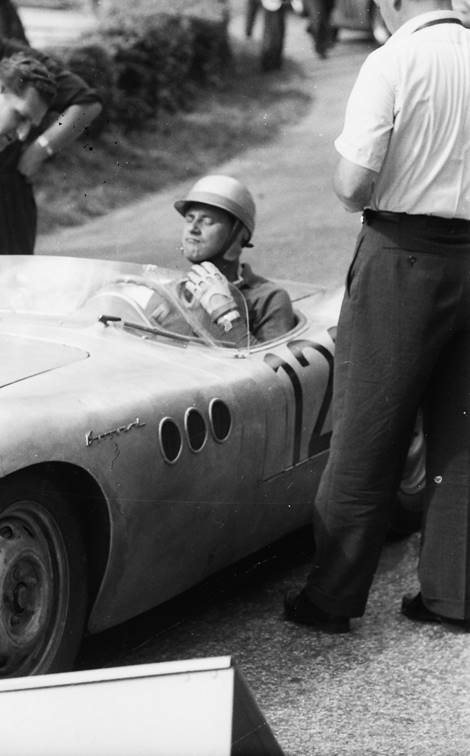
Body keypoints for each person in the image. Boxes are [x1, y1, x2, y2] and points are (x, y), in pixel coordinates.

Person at [284, 0, 470, 633]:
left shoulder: (391, 61)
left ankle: (332, 597)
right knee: (462, 432)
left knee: (367, 430)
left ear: (393, 3)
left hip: (403, 255)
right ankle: (453, 595)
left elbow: (353, 186)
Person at [0, 43, 101, 255]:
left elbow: (87, 102)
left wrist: (38, 150)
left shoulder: (19, 61)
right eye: (19, 116)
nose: (22, 135)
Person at [173, 174, 296, 343]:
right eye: (189, 219)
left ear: (238, 235)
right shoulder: (172, 292)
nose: (193, 228)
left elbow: (272, 366)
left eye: (207, 221)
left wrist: (225, 314)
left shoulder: (268, 298)